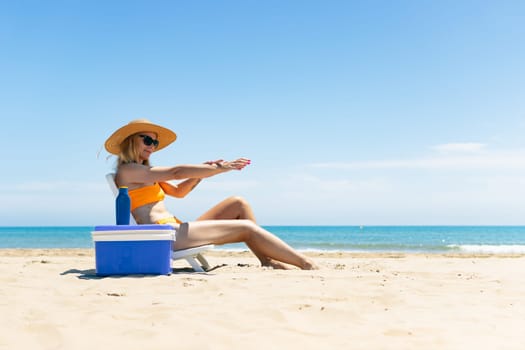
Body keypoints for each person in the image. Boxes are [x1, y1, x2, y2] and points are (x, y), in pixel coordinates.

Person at [104, 119, 318, 270]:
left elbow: (179, 192)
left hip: (174, 228)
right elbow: (176, 172)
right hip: (164, 236)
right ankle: (306, 263)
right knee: (246, 228)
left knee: (238, 204)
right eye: (147, 141)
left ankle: (268, 260)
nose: (152, 146)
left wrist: (201, 174)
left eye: (155, 143)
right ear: (131, 140)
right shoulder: (128, 171)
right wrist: (222, 168)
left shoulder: (145, 173)